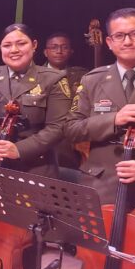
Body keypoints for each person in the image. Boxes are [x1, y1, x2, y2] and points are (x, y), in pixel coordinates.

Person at [66, 8, 135, 269]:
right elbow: (72, 129)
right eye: (119, 35)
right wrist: (114, 119)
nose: (127, 41)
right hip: (101, 193)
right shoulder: (92, 80)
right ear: (109, 42)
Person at [0, 23, 71, 180]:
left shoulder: (53, 79)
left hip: (35, 171)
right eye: (7, 45)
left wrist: (19, 150)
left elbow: (58, 127)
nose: (14, 50)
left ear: (34, 45)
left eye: (21, 43)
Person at [42, 32, 89, 169]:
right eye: (54, 47)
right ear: (45, 52)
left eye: (64, 47)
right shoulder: (36, 74)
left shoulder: (82, 75)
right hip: (44, 132)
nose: (59, 51)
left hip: (71, 136)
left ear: (71, 51)